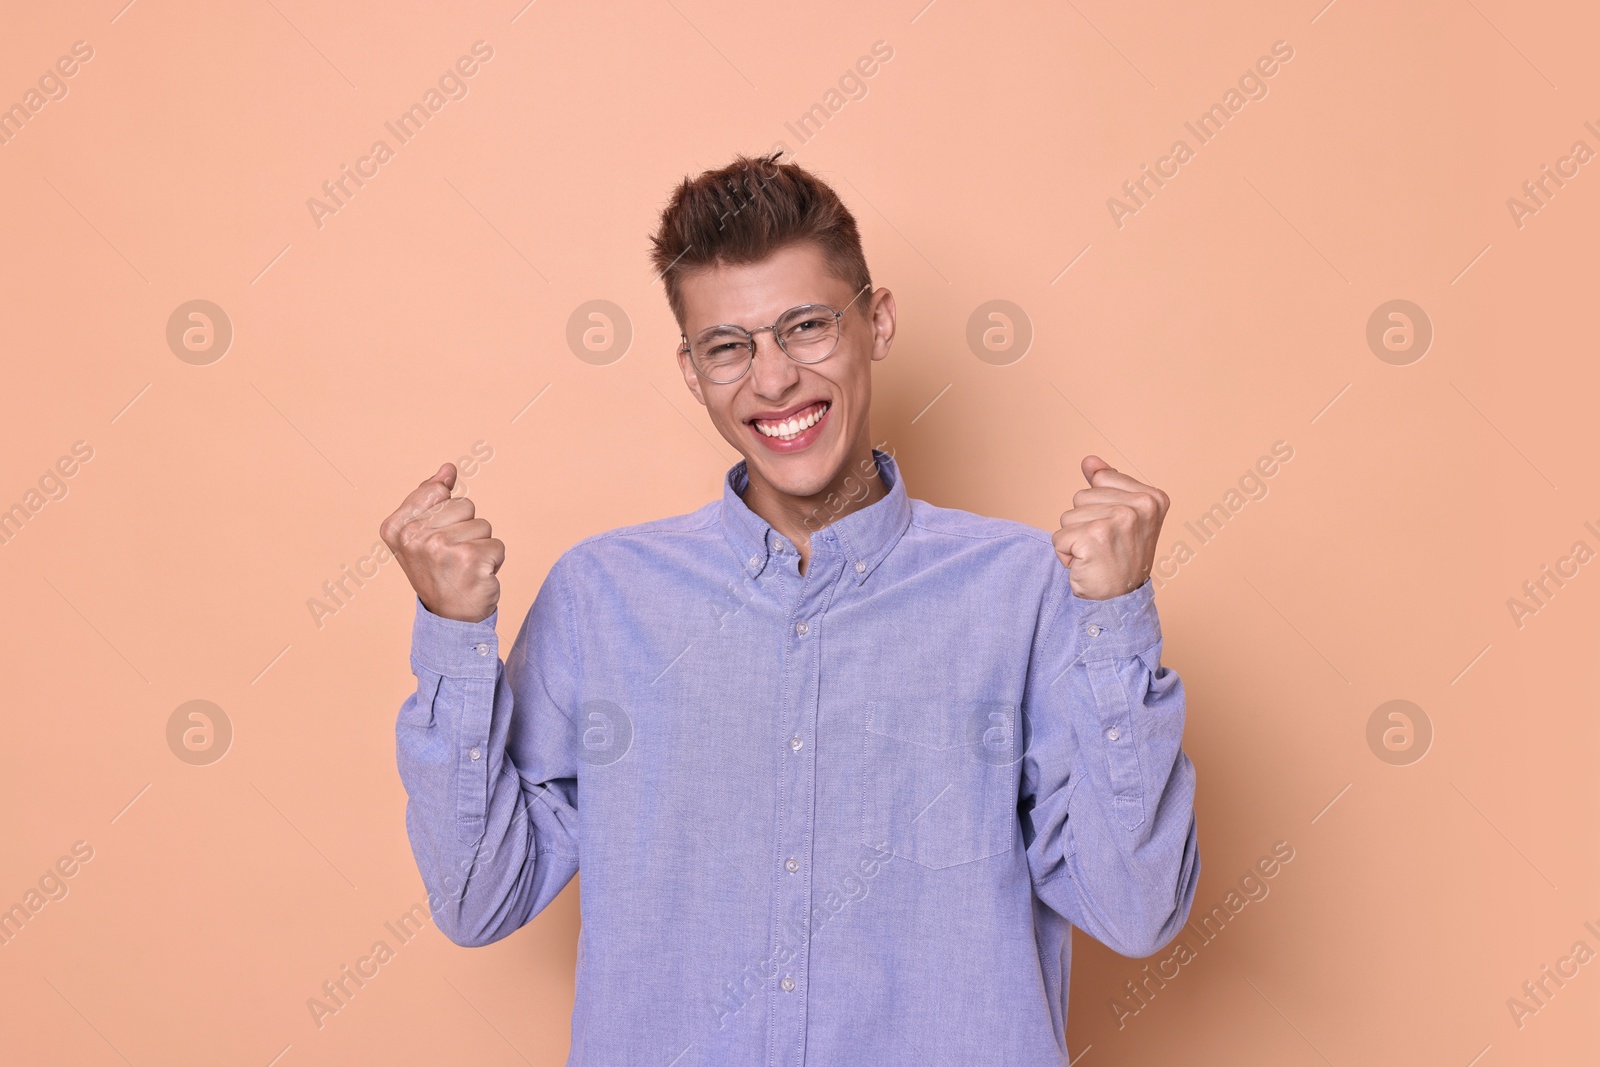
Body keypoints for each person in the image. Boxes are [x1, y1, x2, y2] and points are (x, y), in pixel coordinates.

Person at [380, 153, 1199, 1066]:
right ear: (691, 369)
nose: (771, 380)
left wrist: (1118, 618)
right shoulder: (601, 600)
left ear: (875, 321)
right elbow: (479, 898)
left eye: (806, 326)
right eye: (728, 345)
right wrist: (453, 635)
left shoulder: (1024, 590)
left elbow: (1136, 910)